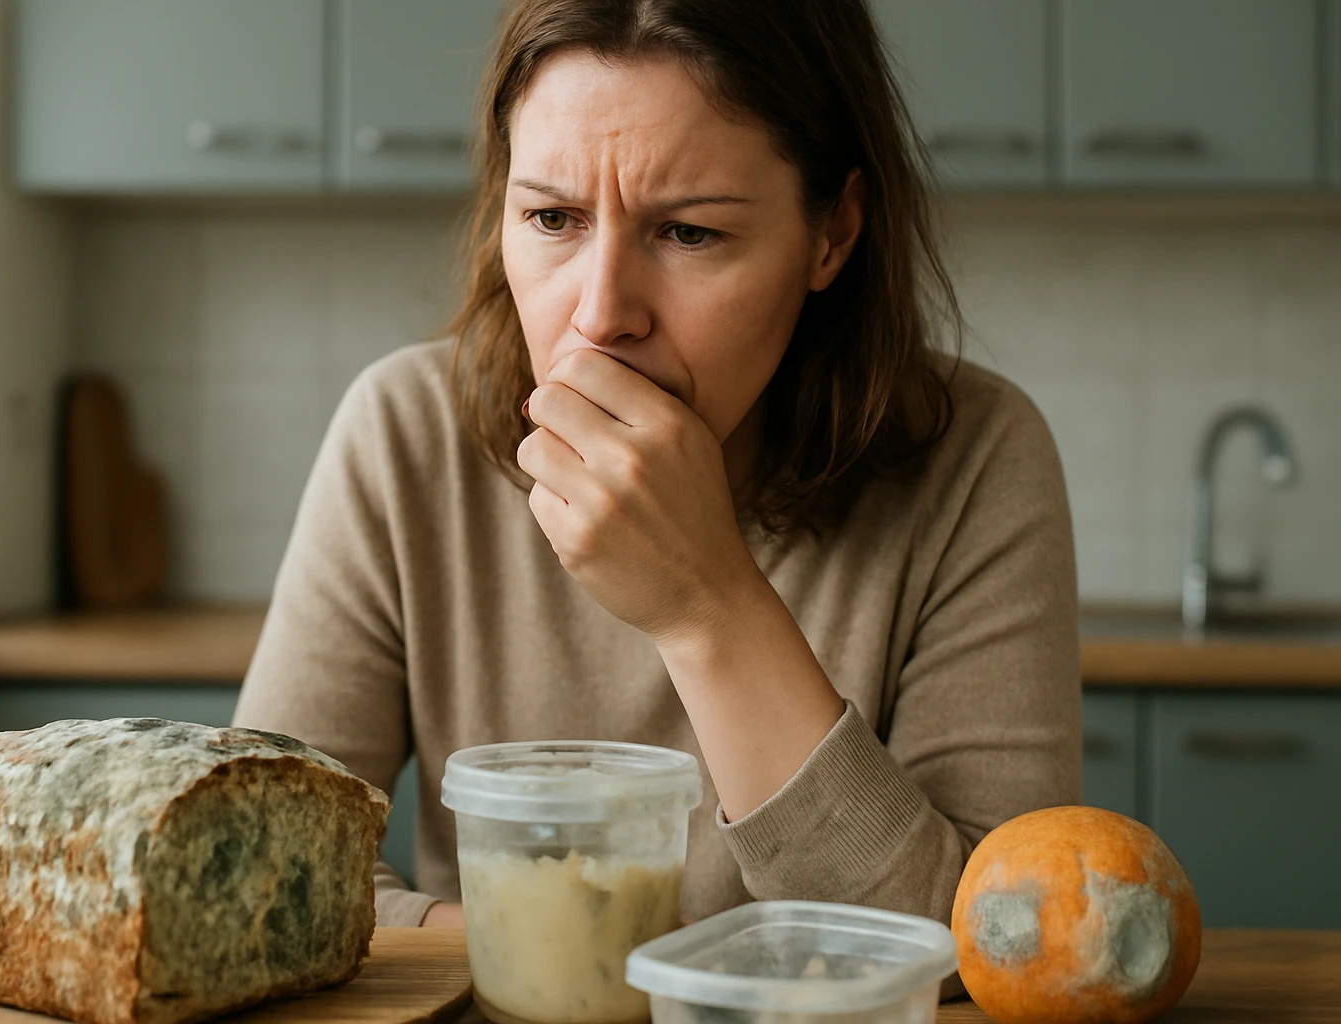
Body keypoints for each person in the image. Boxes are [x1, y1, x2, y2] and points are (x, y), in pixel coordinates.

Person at [233, 0, 1081, 939]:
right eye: (553, 217)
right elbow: (261, 870)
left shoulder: (978, 459)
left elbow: (994, 950)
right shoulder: (401, 436)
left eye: (688, 234)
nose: (600, 315)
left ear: (832, 233)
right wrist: (549, 975)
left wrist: (707, 605)